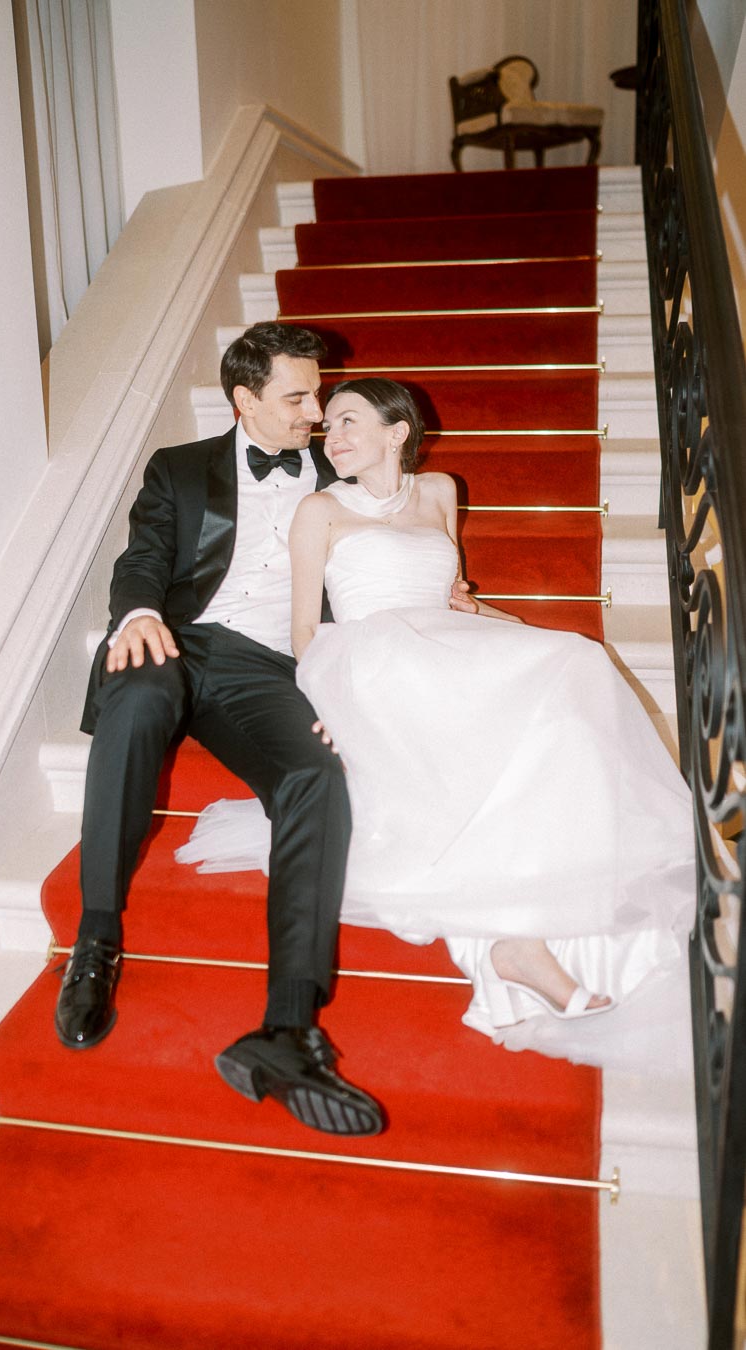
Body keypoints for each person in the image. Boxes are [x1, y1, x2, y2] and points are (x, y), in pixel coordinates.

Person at [177, 377, 696, 1064]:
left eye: (349, 421)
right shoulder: (319, 511)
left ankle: (526, 929)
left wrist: (481, 611)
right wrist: (324, 703)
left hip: (442, 641)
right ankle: (517, 945)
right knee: (460, 704)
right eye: (328, 423)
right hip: (370, 654)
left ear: (397, 433)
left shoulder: (441, 490)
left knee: (577, 661)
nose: (332, 435)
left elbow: (451, 595)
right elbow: (305, 628)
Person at [55, 324, 387, 1139]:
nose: (318, 413)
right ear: (244, 400)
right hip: (179, 636)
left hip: (269, 666)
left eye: (319, 394)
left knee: (316, 774)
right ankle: (95, 942)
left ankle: (288, 1030)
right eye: (297, 397)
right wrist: (135, 613)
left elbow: (383, 560)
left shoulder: (337, 469)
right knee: (135, 701)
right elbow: (144, 559)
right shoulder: (180, 467)